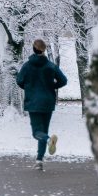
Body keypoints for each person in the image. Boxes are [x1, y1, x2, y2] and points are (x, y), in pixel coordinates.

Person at [15, 39, 68, 170]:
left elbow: (19, 81)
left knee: (37, 133)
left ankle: (49, 140)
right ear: (43, 50)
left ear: (34, 49)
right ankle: (39, 161)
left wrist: (29, 87)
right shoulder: (51, 65)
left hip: (33, 102)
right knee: (43, 130)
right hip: (48, 101)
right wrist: (52, 86)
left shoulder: (27, 66)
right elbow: (64, 80)